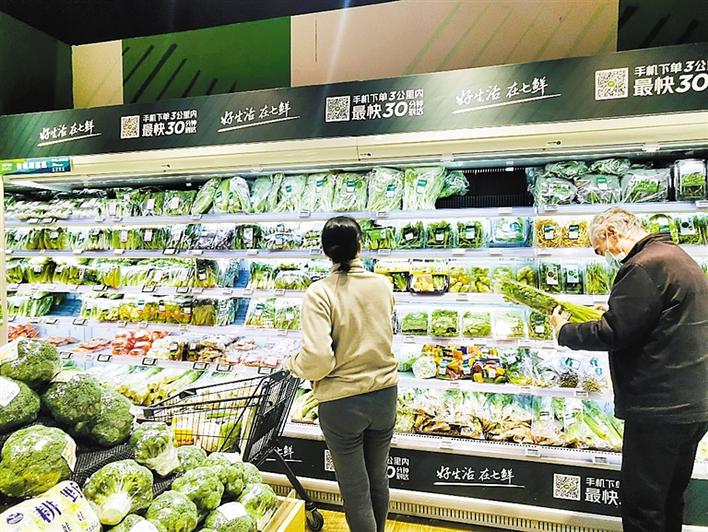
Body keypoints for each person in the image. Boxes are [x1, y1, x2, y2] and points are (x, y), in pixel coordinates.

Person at [549, 207, 708, 532]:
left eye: (601, 249)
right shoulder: (677, 257)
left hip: (658, 409)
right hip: (693, 404)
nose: (606, 256)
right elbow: (654, 319)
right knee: (669, 498)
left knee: (642, 507)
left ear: (611, 233)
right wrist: (613, 310)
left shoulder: (642, 266)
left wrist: (564, 331)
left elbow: (614, 333)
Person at [286, 216, 398, 532]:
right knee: (378, 478)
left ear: (326, 251)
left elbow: (318, 360)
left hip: (342, 404)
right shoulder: (383, 285)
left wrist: (293, 363)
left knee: (355, 489)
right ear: (360, 246)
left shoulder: (320, 293)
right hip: (384, 396)